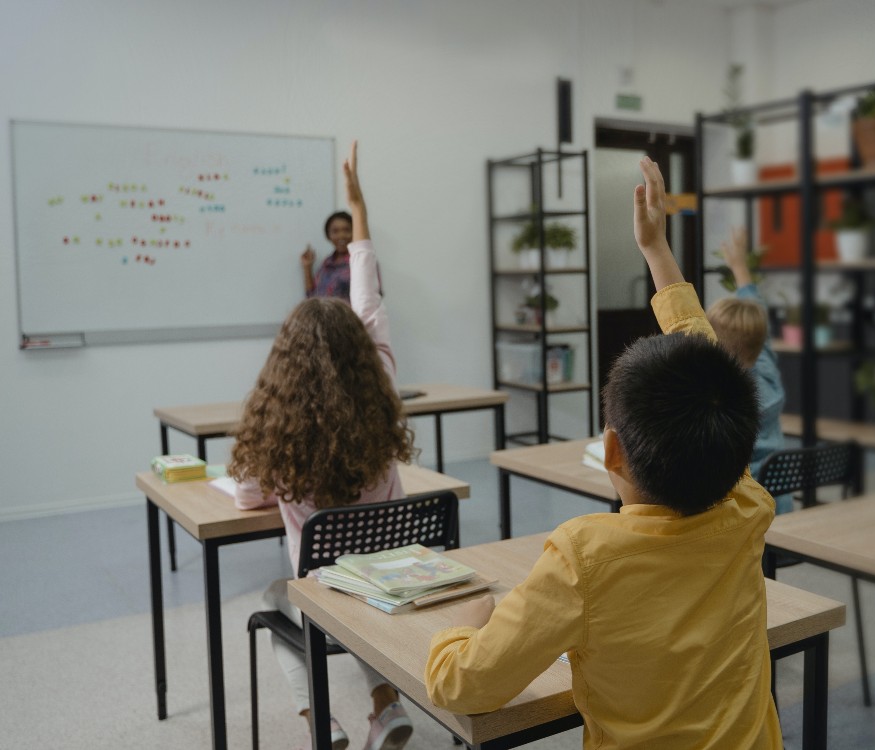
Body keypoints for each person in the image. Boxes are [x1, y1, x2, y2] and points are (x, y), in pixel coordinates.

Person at [424, 156, 782, 749]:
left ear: (611, 449)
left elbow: (461, 685)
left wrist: (459, 629)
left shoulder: (582, 558)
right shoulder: (745, 505)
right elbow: (704, 356)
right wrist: (657, 253)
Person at [229, 141, 415, 750]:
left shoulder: (278, 435)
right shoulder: (381, 382)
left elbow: (248, 498)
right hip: (391, 578)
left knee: (281, 597)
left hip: (328, 591)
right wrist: (359, 203)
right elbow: (367, 297)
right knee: (356, 590)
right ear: (365, 353)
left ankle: (321, 723)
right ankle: (386, 706)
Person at [707, 226, 787, 507]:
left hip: (743, 518)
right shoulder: (766, 370)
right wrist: (740, 268)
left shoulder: (722, 400)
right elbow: (757, 312)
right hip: (782, 508)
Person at [302, 210, 354, 301]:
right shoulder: (327, 263)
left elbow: (371, 300)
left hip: (349, 315)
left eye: (347, 230)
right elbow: (312, 296)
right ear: (328, 235)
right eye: (335, 231)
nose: (341, 235)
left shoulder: (362, 262)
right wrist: (307, 267)